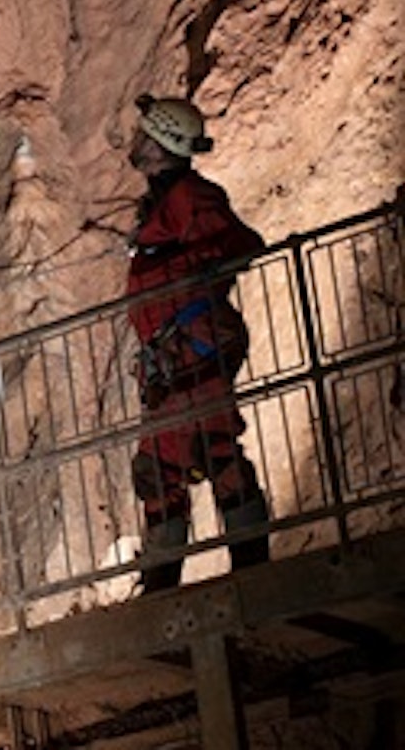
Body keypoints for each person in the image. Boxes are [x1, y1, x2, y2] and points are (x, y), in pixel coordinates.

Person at [124, 94, 269, 593]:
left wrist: (187, 269)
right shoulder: (164, 202)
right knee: (161, 466)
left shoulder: (190, 195)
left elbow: (240, 244)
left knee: (213, 448)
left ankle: (252, 573)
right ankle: (163, 588)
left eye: (143, 134)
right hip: (172, 358)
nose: (135, 140)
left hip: (194, 347)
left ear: (159, 144)